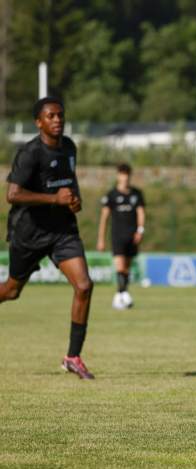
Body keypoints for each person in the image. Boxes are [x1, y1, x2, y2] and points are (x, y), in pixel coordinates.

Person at [0, 96, 94, 379]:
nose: (57, 120)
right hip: (28, 233)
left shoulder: (69, 148)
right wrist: (55, 198)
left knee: (84, 285)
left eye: (60, 115)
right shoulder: (30, 153)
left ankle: (73, 357)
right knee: (11, 292)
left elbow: (70, 185)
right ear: (38, 122)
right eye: (51, 116)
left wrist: (74, 201)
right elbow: (12, 195)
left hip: (63, 231)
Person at [96, 163, 146, 309]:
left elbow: (141, 213)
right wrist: (101, 239)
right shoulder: (111, 195)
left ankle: (119, 297)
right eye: (122, 175)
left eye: (127, 175)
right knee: (120, 266)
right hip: (117, 236)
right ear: (118, 176)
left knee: (126, 269)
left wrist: (140, 230)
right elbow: (104, 218)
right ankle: (125, 295)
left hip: (132, 236)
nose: (125, 178)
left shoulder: (136, 194)